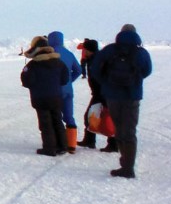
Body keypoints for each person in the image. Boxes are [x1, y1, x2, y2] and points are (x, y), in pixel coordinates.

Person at [89, 24, 152, 179]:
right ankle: (127, 166)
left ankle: (125, 164)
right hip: (132, 95)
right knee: (129, 130)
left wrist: (106, 82)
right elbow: (147, 70)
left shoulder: (110, 50)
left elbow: (95, 68)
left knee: (118, 127)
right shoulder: (141, 52)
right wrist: (135, 80)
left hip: (112, 95)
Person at [20, 36, 70, 156]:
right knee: (57, 120)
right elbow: (64, 80)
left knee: (45, 123)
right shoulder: (59, 62)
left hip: (40, 98)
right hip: (57, 96)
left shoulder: (33, 65)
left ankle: (49, 148)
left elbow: (27, 81)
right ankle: (63, 146)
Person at [76, 39, 115, 151]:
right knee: (92, 116)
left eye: (85, 49)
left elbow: (102, 78)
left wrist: (103, 94)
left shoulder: (97, 60)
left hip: (102, 93)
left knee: (106, 117)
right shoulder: (93, 59)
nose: (83, 51)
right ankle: (90, 140)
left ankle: (112, 144)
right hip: (99, 93)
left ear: (89, 50)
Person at [47, 31, 83, 153]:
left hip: (54, 90)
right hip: (67, 90)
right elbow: (78, 70)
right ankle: (72, 144)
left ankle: (58, 142)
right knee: (68, 116)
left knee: (55, 117)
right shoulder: (69, 54)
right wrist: (69, 80)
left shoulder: (50, 53)